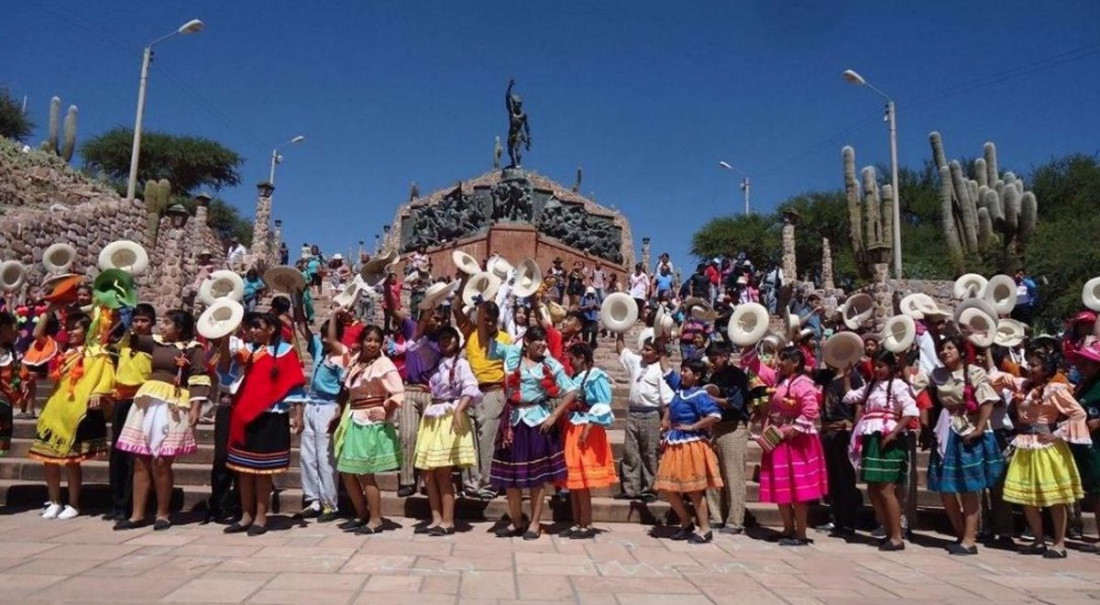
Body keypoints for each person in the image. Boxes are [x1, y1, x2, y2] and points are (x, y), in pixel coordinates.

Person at [113, 310, 209, 531]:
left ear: (180, 327)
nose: (162, 327)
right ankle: (137, 514)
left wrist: (196, 407)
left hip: (174, 403)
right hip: (149, 400)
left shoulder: (194, 349)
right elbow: (127, 337)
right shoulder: (155, 343)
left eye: (167, 324)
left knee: (161, 461)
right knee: (140, 460)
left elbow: (198, 377)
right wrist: (117, 312)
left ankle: (163, 513)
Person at [995, 348, 1090, 559]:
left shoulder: (1054, 389)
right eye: (1029, 364)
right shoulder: (1023, 386)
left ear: (1046, 369)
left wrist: (1057, 433)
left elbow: (1078, 413)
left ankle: (1059, 543)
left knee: (1054, 497)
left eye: (1035, 365)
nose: (1030, 368)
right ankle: (1038, 540)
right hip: (1025, 444)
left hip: (1047, 447)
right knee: (1027, 497)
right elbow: (998, 379)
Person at [218, 312, 306, 536]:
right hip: (244, 415)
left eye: (258, 327)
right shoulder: (247, 352)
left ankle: (260, 517)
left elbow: (294, 384)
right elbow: (227, 375)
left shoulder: (285, 352)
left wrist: (298, 414)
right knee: (244, 471)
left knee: (263, 471)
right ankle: (245, 515)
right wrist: (225, 341)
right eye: (251, 327)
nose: (253, 331)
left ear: (271, 329)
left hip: (271, 416)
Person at [485, 324, 576, 539]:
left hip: (538, 423)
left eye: (545, 341)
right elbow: (485, 339)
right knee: (511, 477)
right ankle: (516, 520)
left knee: (538, 478)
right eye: (538, 340)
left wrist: (554, 416)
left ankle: (535, 523)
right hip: (513, 422)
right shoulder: (512, 357)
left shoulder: (550, 364)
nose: (543, 344)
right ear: (527, 342)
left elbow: (571, 391)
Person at [916, 336, 1006, 555]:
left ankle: (969, 539)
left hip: (967, 430)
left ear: (961, 351)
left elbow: (987, 401)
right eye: (942, 349)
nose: (945, 352)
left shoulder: (974, 372)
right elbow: (917, 384)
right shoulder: (937, 374)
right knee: (945, 488)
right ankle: (960, 532)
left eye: (949, 348)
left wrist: (980, 428)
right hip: (946, 430)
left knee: (969, 486)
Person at [29, 311, 114, 519]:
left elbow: (107, 375)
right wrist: (50, 309)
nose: (71, 331)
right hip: (55, 409)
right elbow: (37, 333)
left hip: (75, 410)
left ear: (87, 331)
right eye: (69, 327)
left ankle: (74, 503)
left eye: (76, 327)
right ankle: (55, 500)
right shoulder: (60, 350)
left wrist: (98, 392)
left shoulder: (96, 352)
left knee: (71, 461)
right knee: (48, 459)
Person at [843, 350, 919, 551]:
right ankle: (887, 528)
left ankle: (896, 536)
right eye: (875, 365)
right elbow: (850, 397)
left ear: (891, 367)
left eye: (882, 365)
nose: (878, 369)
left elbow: (911, 411)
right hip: (872, 438)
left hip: (887, 438)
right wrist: (847, 376)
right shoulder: (871, 387)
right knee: (873, 487)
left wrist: (893, 433)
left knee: (886, 489)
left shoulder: (899, 386)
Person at [332, 325, 404, 534]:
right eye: (369, 340)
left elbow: (398, 393)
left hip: (370, 422)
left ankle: (375, 519)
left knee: (365, 472)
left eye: (376, 341)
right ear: (362, 341)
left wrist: (385, 409)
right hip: (353, 417)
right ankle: (362, 513)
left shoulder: (384, 364)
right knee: (347, 470)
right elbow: (347, 389)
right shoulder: (356, 362)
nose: (372, 344)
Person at [757, 346, 828, 546]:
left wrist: (789, 430)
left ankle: (802, 533)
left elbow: (810, 411)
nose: (779, 363)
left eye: (783, 359)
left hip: (798, 442)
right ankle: (788, 528)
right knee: (781, 485)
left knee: (798, 489)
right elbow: (758, 368)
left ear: (795, 362)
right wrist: (748, 344)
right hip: (780, 438)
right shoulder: (780, 378)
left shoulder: (804, 384)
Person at [413, 326, 479, 536]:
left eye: (449, 338)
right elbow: (418, 345)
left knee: (443, 471)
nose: (444, 342)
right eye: (441, 338)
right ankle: (436, 518)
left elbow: (470, 388)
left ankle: (448, 520)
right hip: (434, 413)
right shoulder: (437, 362)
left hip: (449, 415)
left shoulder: (462, 364)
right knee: (427, 471)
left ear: (457, 341)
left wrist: (460, 409)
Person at [287, 314, 350, 523]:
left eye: (328, 336)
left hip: (328, 406)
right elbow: (303, 326)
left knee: (325, 458)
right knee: (308, 456)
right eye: (322, 336)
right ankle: (313, 499)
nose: (324, 340)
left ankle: (329, 504)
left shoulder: (341, 357)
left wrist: (339, 410)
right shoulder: (319, 351)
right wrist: (295, 292)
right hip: (311, 405)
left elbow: (344, 388)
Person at [654, 356, 723, 543]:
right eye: (682, 370)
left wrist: (693, 426)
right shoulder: (680, 388)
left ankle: (705, 528)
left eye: (686, 371)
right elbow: (666, 368)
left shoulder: (699, 394)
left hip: (691, 444)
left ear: (697, 375)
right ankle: (686, 523)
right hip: (675, 442)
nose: (682, 373)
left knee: (694, 490)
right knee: (668, 488)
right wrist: (661, 342)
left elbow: (715, 415)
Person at [557, 342, 617, 539]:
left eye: (572, 359)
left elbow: (603, 403)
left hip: (586, 429)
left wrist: (589, 426)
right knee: (574, 481)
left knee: (582, 481)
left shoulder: (595, 376)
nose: (570, 363)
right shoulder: (575, 378)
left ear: (582, 358)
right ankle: (577, 521)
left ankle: (587, 524)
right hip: (573, 427)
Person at [101, 304, 154, 521]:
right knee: (118, 452)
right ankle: (117, 502)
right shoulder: (123, 340)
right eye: (136, 320)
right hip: (122, 399)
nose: (139, 324)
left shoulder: (154, 344)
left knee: (136, 454)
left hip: (141, 399)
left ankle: (133, 504)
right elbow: (109, 332)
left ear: (152, 323)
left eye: (144, 321)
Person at [455, 300, 511, 500]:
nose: (488, 323)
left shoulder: (505, 339)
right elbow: (455, 308)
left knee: (487, 441)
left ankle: (487, 485)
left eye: (492, 320)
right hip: (469, 394)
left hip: (493, 392)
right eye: (484, 319)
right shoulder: (470, 334)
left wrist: (508, 398)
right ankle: (470, 484)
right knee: (467, 440)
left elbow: (510, 370)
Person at [614, 330, 672, 503]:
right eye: (644, 349)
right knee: (630, 451)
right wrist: (619, 331)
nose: (644, 352)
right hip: (633, 412)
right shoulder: (637, 363)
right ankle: (630, 488)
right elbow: (622, 351)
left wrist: (665, 419)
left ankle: (649, 488)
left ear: (657, 353)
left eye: (648, 350)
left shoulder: (660, 370)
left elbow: (668, 400)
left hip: (651, 413)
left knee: (649, 452)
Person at [702, 342, 751, 534]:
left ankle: (735, 520)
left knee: (733, 475)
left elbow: (735, 403)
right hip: (718, 428)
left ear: (725, 356)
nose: (712, 363)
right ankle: (717, 515)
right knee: (715, 475)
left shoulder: (737, 376)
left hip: (733, 428)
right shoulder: (715, 376)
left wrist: (710, 399)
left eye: (714, 359)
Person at [396, 307, 444, 498]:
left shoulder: (442, 340)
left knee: (430, 440)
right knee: (407, 435)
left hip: (430, 392)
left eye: (441, 320)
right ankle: (407, 480)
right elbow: (392, 309)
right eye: (434, 318)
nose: (437, 323)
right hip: (409, 389)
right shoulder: (412, 328)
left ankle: (428, 481)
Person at [818, 362, 864, 538]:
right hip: (827, 431)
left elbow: (858, 404)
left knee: (846, 477)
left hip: (844, 431)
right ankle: (836, 518)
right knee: (833, 478)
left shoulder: (853, 376)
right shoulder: (825, 376)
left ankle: (848, 522)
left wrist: (855, 427)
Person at [1068, 342, 1100, 551]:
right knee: (1096, 494)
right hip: (1087, 448)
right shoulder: (1083, 385)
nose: (1081, 366)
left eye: (1087, 362)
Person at [0, 311, 21, 457]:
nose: (18, 332)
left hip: (4, 406)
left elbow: (17, 377)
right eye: (15, 327)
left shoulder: (12, 353)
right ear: (3, 328)